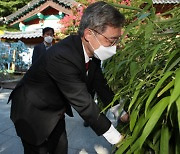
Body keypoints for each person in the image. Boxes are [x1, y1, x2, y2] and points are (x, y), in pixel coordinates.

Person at [9, 1, 127, 154]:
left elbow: (101, 86)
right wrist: (117, 138)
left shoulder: (93, 52)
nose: (114, 46)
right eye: (111, 40)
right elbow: (83, 102)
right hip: (32, 113)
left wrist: (121, 113)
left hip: (56, 113)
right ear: (88, 34)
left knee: (60, 148)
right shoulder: (62, 55)